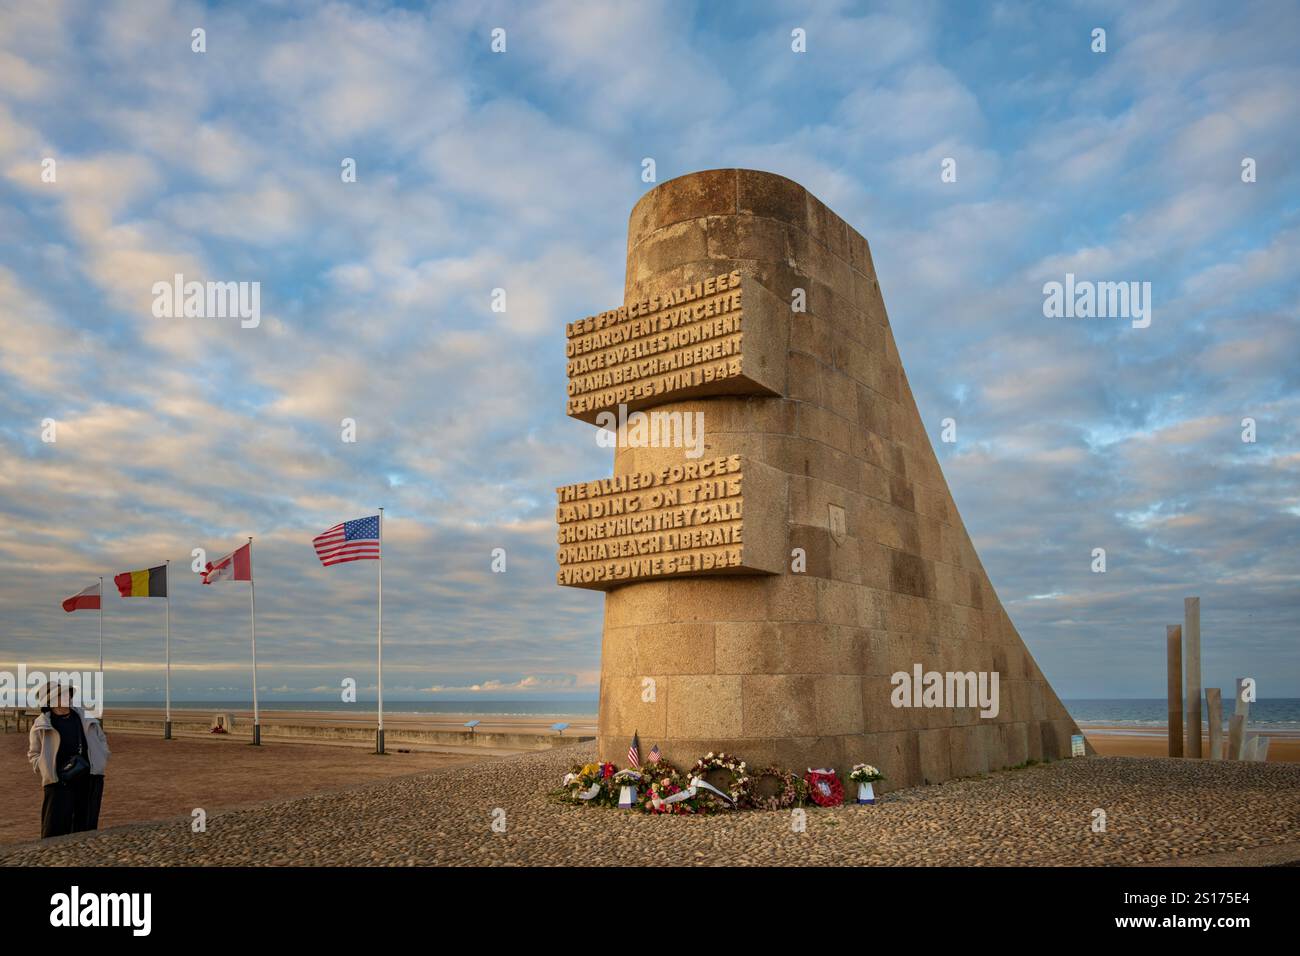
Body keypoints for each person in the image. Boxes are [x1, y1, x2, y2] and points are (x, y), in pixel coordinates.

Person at [27, 680, 110, 838]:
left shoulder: (85, 717)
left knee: (86, 828)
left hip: (89, 778)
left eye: (67, 694)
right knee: (54, 830)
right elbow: (33, 753)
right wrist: (45, 768)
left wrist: (102, 756)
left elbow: (101, 738)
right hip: (58, 782)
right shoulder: (41, 725)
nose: (66, 697)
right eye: (60, 695)